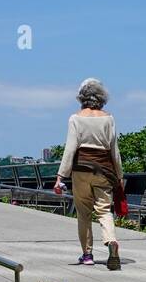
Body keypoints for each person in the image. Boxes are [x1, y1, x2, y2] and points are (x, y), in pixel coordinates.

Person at [53, 78, 124, 270]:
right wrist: (119, 176)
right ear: (101, 98)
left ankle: (87, 254)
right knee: (104, 210)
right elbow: (114, 150)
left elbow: (70, 149)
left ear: (81, 98)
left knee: (83, 212)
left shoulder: (75, 118)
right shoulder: (109, 118)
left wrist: (60, 177)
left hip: (81, 170)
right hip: (104, 170)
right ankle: (111, 242)